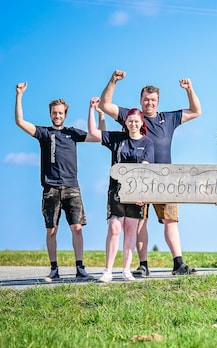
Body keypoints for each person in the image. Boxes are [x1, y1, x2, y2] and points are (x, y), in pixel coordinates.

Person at [99, 69, 202, 276]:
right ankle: (143, 264)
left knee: (170, 220)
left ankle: (178, 263)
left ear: (158, 101)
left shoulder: (168, 118)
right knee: (139, 222)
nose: (149, 103)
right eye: (146, 100)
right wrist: (113, 81)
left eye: (153, 100)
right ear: (140, 100)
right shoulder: (133, 117)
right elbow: (105, 105)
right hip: (140, 181)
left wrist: (189, 89)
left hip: (166, 179)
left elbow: (196, 110)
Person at [14, 82, 100, 282]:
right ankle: (54, 269)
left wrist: (98, 113)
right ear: (50, 114)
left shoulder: (73, 133)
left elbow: (97, 137)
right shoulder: (44, 133)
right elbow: (19, 121)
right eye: (54, 113)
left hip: (72, 187)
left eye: (60, 113)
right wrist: (19, 95)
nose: (57, 116)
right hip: (50, 188)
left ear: (65, 114)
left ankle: (80, 268)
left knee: (77, 228)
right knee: (51, 230)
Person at [87, 97, 154, 283]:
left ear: (141, 123)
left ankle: (126, 270)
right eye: (130, 120)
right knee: (114, 229)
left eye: (136, 121)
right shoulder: (117, 138)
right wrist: (92, 110)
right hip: (116, 191)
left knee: (131, 230)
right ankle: (108, 270)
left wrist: (142, 194)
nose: (133, 123)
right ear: (126, 122)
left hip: (137, 194)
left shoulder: (148, 143)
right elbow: (93, 132)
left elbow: (146, 169)